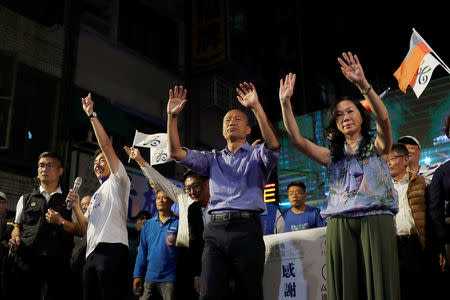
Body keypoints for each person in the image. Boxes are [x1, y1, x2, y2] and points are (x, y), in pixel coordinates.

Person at [278, 53, 399, 299]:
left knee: (380, 286)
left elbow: (384, 118)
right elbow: (297, 140)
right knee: (345, 288)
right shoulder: (332, 155)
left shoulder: (376, 146)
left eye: (350, 111)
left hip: (375, 218)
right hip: (339, 223)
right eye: (340, 114)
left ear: (361, 116)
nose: (345, 117)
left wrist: (363, 85)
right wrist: (285, 103)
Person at [167, 80, 280, 299]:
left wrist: (256, 107)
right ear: (222, 128)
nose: (232, 122)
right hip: (215, 231)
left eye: (238, 119)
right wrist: (172, 117)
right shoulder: (212, 159)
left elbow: (273, 144)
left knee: (249, 293)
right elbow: (176, 153)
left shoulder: (257, 155)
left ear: (248, 129)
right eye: (227, 119)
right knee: (209, 294)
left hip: (247, 229)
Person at [48, 93, 131, 300]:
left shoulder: (118, 180)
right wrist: (76, 206)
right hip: (91, 254)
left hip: (112, 250)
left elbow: (106, 145)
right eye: (95, 163)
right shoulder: (95, 195)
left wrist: (91, 114)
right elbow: (85, 228)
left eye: (102, 160)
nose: (97, 164)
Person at [125, 146, 209, 298]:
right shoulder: (185, 199)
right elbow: (161, 181)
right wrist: (139, 160)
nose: (192, 191)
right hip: (185, 265)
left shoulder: (217, 205)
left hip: (210, 261)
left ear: (206, 184)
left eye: (196, 186)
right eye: (188, 188)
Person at [9, 152, 73, 300]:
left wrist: (61, 221)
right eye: (41, 165)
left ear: (60, 171)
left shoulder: (69, 200)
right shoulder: (25, 199)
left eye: (50, 165)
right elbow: (17, 226)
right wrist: (16, 236)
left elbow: (78, 229)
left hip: (57, 263)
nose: (44, 169)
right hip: (28, 261)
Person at [386, 143, 428, 299]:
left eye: (392, 159)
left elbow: (429, 216)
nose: (388, 163)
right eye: (386, 160)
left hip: (417, 243)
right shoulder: (384, 188)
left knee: (421, 288)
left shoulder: (420, 183)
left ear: (405, 160)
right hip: (393, 245)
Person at [133, 190, 179, 300]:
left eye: (164, 198)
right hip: (149, 277)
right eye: (158, 198)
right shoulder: (147, 224)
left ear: (171, 201)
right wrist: (137, 275)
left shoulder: (179, 223)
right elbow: (142, 253)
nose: (160, 201)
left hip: (170, 279)